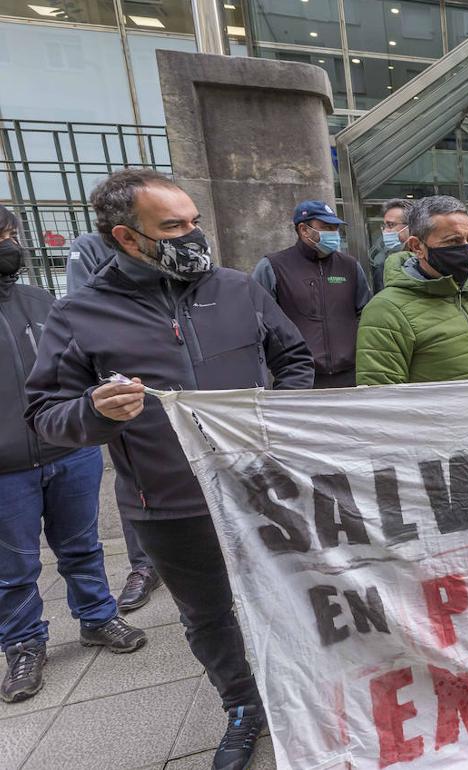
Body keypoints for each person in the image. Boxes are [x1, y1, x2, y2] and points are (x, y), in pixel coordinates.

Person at [24, 169, 314, 769]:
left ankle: (305, 691)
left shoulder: (237, 288)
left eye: (195, 220)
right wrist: (94, 412)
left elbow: (294, 359)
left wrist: (281, 420)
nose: (193, 235)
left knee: (292, 595)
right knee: (207, 614)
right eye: (174, 226)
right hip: (168, 503)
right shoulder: (79, 313)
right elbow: (45, 415)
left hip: (260, 488)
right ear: (127, 238)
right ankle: (241, 707)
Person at [1, 206, 146, 705]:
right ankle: (23, 644)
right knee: (14, 566)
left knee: (82, 547)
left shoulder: (42, 301)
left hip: (69, 448)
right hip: (5, 467)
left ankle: (98, 617)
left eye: (9, 234)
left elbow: (79, 364)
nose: (9, 244)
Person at [64, 231, 163, 611]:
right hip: (127, 388)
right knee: (136, 478)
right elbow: (83, 311)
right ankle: (144, 565)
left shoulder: (177, 250)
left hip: (181, 383)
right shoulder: (91, 250)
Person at [356, 195, 468, 384]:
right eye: (453, 241)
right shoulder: (386, 311)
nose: (465, 250)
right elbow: (381, 400)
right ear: (417, 246)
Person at [252, 201, 370, 389]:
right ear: (303, 230)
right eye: (326, 227)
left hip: (350, 377)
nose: (333, 233)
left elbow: (366, 314)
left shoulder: (350, 266)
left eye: (335, 228)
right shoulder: (273, 266)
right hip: (298, 379)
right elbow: (258, 321)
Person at [370, 198, 414, 291]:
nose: (385, 231)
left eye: (390, 225)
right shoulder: (383, 266)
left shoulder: (428, 260)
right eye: (385, 225)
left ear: (410, 227)